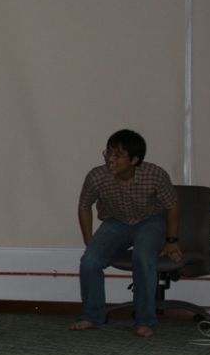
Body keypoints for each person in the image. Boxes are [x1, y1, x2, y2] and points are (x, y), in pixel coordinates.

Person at [72, 129, 181, 338]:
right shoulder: (97, 176)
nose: (110, 160)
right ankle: (92, 316)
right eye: (108, 153)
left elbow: (173, 206)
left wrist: (172, 240)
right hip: (116, 221)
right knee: (90, 260)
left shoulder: (154, 175)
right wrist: (89, 240)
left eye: (118, 155)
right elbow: (84, 205)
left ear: (134, 160)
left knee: (143, 257)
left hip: (150, 221)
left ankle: (145, 321)